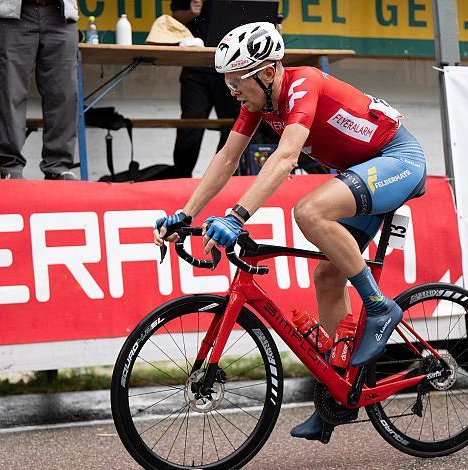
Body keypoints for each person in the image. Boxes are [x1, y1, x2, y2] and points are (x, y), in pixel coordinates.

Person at [153, 22, 426, 440]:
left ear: (266, 72)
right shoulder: (260, 104)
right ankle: (338, 394)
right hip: (363, 171)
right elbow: (227, 159)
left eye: (237, 82)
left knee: (309, 211)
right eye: (227, 84)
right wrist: (184, 214)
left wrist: (236, 216)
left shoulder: (303, 85)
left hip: (398, 158)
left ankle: (379, 306)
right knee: (328, 276)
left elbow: (285, 157)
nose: (232, 92)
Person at [0, 0, 80, 180]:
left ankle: (58, 166)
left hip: (61, 14)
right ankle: (11, 167)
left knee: (64, 94)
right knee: (10, 90)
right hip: (14, 13)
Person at [171, 0, 240, 178]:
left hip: (228, 67)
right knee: (190, 129)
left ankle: (220, 178)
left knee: (234, 127)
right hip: (196, 69)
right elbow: (175, 17)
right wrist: (191, 13)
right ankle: (181, 179)